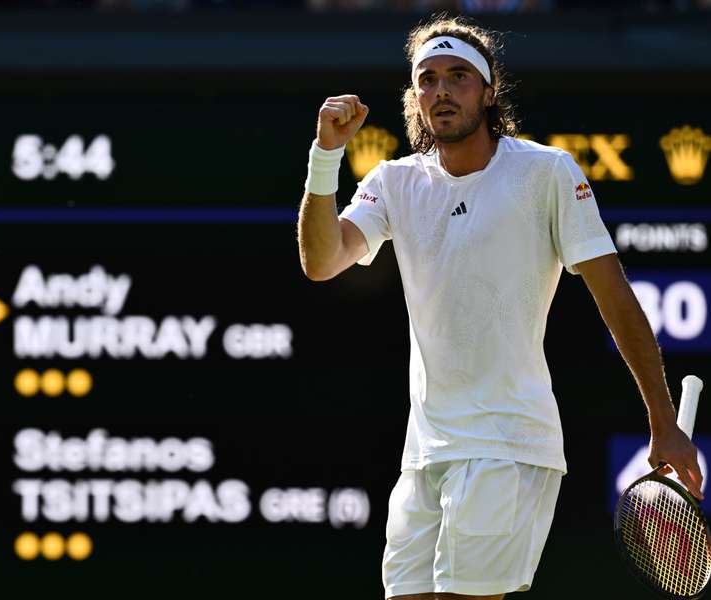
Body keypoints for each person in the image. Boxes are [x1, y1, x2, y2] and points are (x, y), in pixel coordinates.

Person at [296, 14, 703, 600]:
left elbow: (616, 298)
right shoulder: (393, 181)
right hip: (425, 455)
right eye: (428, 78)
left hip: (507, 446)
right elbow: (321, 259)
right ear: (415, 96)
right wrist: (325, 155)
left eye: (458, 76)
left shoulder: (546, 172)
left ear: (488, 92)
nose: (441, 90)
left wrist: (663, 424)